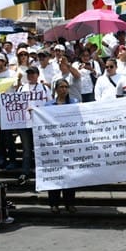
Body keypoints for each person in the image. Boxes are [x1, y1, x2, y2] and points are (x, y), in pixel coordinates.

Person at [45, 79, 79, 213]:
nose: (64, 89)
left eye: (66, 87)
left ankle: (69, 203)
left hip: (70, 144)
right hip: (53, 146)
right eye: (61, 87)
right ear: (56, 89)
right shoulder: (48, 105)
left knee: (70, 175)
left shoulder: (74, 103)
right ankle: (54, 204)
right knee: (54, 175)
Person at [16, 66, 52, 185]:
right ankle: (25, 172)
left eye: (33, 73)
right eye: (29, 73)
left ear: (37, 75)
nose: (31, 76)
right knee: (26, 148)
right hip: (25, 122)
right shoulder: (21, 88)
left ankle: (41, 171)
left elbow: (49, 104)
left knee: (39, 148)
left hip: (39, 122)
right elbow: (17, 103)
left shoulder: (44, 88)